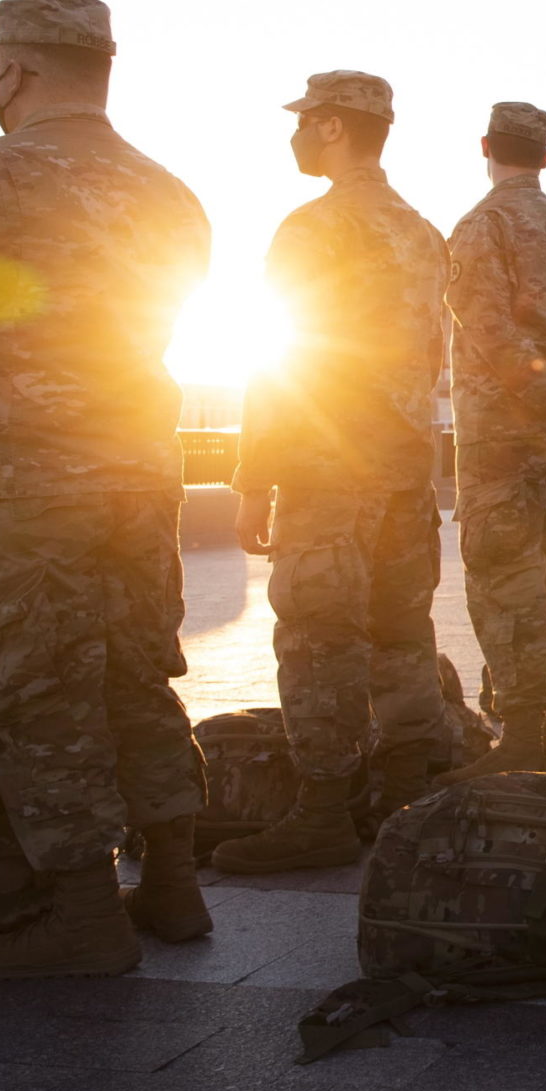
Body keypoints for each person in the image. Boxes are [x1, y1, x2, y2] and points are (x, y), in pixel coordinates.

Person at [0, 0, 211, 976]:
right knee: (136, 668)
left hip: (22, 483)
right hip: (141, 473)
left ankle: (81, 916)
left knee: (37, 688)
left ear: (12, 72)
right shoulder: (171, 194)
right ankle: (175, 881)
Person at [216, 71, 450, 874]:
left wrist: (254, 478)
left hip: (329, 465)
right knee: (399, 626)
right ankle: (403, 788)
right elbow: (434, 359)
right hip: (405, 469)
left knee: (319, 633)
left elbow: (282, 355)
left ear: (332, 128)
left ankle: (321, 812)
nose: (294, 136)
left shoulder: (313, 228)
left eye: (304, 121)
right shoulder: (422, 233)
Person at [440, 101, 546, 779]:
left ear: (485, 145)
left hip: (503, 440)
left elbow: (490, 333)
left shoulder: (480, 227)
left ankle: (522, 739)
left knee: (506, 584)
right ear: (545, 157)